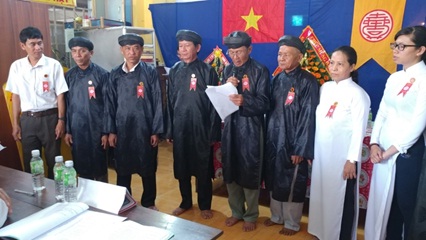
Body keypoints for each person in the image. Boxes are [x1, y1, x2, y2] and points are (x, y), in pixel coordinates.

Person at [365, 25, 426, 240]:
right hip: (383, 151)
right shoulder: (395, 78)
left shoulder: (424, 78)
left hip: (407, 153)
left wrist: (392, 150)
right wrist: (374, 144)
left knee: (406, 204)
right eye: (395, 45)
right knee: (386, 204)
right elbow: (382, 113)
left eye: (402, 46)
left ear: (420, 50)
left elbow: (418, 123)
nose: (396, 50)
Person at [307, 46, 370, 240]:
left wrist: (351, 159)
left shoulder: (358, 94)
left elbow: (359, 129)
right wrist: (311, 151)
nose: (333, 67)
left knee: (340, 199)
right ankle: (322, 233)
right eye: (331, 62)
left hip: (342, 158)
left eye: (340, 64)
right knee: (322, 195)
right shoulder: (325, 88)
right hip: (322, 155)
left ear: (352, 67)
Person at [263, 35, 319, 236]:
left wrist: (301, 148)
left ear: (299, 57)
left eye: (286, 54)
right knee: (274, 178)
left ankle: (292, 223)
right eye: (279, 54)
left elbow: (308, 117)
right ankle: (276, 217)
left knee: (292, 182)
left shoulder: (308, 81)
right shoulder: (277, 78)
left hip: (294, 142)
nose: (281, 58)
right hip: (274, 140)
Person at [165, 29, 221, 219]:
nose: (183, 49)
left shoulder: (207, 71)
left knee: (203, 167)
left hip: (201, 128)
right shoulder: (175, 70)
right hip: (180, 127)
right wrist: (170, 129)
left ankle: (205, 204)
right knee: (182, 167)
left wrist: (213, 131)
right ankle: (185, 202)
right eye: (180, 46)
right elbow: (170, 101)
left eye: (187, 46)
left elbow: (214, 104)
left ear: (197, 48)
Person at [105, 33, 163, 210]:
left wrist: (156, 130)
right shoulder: (114, 74)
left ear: (141, 50)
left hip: (144, 128)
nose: (132, 52)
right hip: (122, 129)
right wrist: (111, 131)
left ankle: (149, 202)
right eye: (128, 48)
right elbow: (109, 103)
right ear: (122, 50)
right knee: (122, 168)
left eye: (136, 48)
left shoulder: (149, 73)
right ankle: (125, 201)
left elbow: (158, 101)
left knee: (147, 167)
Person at [220, 31, 270, 232]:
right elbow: (222, 99)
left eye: (239, 51)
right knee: (231, 169)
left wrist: (245, 100)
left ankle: (251, 214)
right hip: (231, 126)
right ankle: (236, 212)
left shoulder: (260, 70)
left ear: (249, 49)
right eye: (231, 52)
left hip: (251, 127)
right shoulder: (228, 70)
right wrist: (225, 88)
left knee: (250, 170)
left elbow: (266, 102)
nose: (235, 56)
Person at [5, 26, 68, 179]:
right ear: (23, 46)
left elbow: (60, 95)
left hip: (50, 119)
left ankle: (56, 196)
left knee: (54, 161)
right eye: (32, 44)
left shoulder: (53, 65)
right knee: (31, 163)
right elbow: (16, 96)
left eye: (40, 43)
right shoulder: (17, 67)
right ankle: (36, 198)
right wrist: (15, 124)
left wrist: (61, 121)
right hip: (28, 120)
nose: (37, 47)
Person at [64, 37, 109, 182]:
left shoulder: (102, 75)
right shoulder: (69, 76)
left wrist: (106, 131)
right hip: (77, 128)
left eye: (82, 51)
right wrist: (68, 130)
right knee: (81, 165)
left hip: (97, 128)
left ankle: (103, 200)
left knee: (100, 165)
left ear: (91, 53)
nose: (78, 55)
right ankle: (86, 199)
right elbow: (67, 104)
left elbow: (109, 105)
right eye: (74, 51)